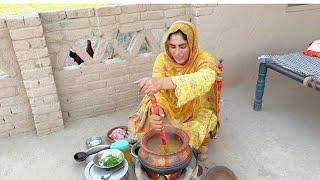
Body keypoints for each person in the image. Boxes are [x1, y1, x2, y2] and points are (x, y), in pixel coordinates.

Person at [128, 21, 220, 161]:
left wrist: (164, 82)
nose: (177, 53)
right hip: (170, 104)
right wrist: (157, 111)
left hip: (196, 104)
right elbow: (158, 93)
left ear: (192, 44)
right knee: (148, 114)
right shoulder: (163, 59)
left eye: (183, 47)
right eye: (172, 47)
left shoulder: (204, 59)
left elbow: (206, 78)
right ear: (167, 46)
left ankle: (185, 148)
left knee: (198, 125)